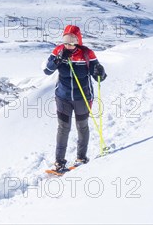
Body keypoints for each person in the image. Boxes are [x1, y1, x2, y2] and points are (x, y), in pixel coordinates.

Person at [44, 25, 107, 171]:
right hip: (63, 97)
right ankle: (59, 161)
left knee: (82, 126)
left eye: (72, 41)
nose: (68, 44)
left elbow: (98, 77)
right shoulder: (58, 51)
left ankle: (81, 157)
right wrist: (58, 60)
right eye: (66, 40)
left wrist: (100, 72)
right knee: (63, 128)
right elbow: (47, 71)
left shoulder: (87, 54)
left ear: (78, 40)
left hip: (82, 97)